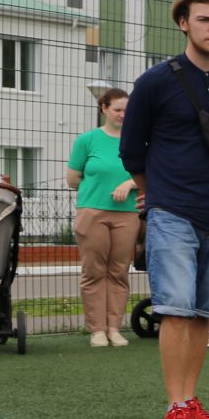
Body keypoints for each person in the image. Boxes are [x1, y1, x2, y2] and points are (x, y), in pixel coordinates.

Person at [119, 0, 209, 419]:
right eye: (204, 20)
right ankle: (174, 407)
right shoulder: (154, 82)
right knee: (175, 311)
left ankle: (191, 399)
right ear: (183, 23)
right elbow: (132, 151)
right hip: (172, 211)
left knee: (203, 315)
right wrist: (153, 197)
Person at [65, 87, 137, 347]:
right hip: (92, 212)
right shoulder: (87, 140)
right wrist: (96, 192)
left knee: (119, 270)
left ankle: (115, 328)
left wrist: (129, 184)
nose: (123, 115)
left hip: (127, 213)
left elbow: (148, 174)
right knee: (94, 270)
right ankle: (97, 329)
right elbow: (73, 179)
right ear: (103, 108)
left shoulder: (139, 140)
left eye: (127, 110)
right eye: (117, 109)